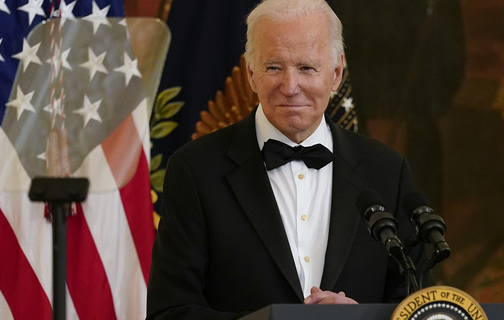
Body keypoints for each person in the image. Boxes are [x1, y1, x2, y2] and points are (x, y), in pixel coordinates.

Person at [146, 0, 429, 319]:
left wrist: (362, 317)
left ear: (335, 74)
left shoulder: (387, 171)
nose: (290, 87)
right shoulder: (195, 169)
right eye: (274, 67)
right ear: (251, 74)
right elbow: (169, 312)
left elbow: (418, 306)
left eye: (307, 68)